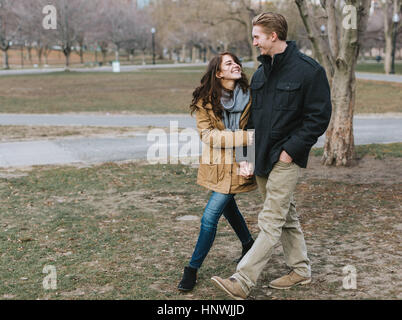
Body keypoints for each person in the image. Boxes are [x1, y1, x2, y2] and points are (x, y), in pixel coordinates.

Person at [211, 12, 332, 299]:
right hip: (262, 158)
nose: (253, 43)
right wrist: (247, 156)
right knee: (285, 216)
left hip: (286, 158)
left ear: (273, 36)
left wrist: (291, 152)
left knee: (271, 221)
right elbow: (252, 121)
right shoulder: (262, 74)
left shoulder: (309, 71)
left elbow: (318, 117)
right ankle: (300, 270)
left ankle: (242, 279)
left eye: (256, 37)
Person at [178, 52, 257, 292]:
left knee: (210, 217)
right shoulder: (205, 100)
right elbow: (208, 135)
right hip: (217, 164)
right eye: (229, 63)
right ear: (219, 73)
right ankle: (248, 244)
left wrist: (248, 160)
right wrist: (243, 137)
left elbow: (254, 127)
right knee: (227, 207)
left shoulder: (250, 96)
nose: (236, 65)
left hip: (239, 164)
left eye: (236, 62)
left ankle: (191, 269)